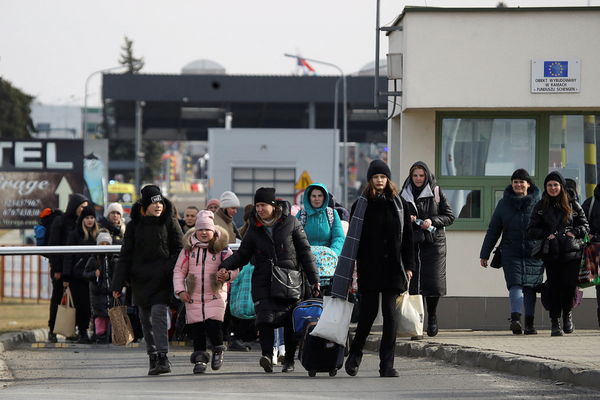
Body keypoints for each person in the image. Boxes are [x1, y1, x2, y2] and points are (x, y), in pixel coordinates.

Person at [218, 187, 320, 373]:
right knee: (264, 319)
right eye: (257, 205)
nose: (259, 209)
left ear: (273, 205)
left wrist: (315, 279)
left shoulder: (291, 222)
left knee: (289, 321)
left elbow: (305, 252)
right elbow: (242, 254)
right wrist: (225, 266)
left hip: (289, 280)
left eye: (263, 205)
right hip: (263, 280)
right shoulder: (254, 227)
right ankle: (266, 355)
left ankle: (289, 359)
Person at [345, 160, 415, 378]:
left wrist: (409, 266)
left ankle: (387, 365)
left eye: (383, 177)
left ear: (388, 179)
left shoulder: (399, 204)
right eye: (376, 177)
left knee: (390, 317)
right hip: (369, 268)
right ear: (370, 180)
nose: (380, 181)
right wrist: (352, 270)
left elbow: (408, 239)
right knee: (367, 315)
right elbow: (353, 239)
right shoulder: (361, 204)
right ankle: (355, 355)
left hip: (394, 268)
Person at [111, 185, 184, 375]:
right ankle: (152, 356)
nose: (158, 206)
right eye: (154, 203)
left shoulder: (170, 222)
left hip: (162, 279)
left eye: (160, 202)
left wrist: (167, 268)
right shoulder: (134, 225)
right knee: (145, 319)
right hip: (140, 280)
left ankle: (163, 356)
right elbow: (125, 254)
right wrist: (117, 284)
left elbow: (179, 250)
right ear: (145, 205)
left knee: (159, 315)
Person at [480, 169, 543, 334]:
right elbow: (494, 230)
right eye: (515, 181)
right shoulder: (504, 204)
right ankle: (516, 319)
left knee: (530, 287)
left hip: (534, 252)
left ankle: (529, 324)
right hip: (511, 251)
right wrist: (484, 254)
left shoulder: (540, 202)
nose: (518, 184)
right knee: (515, 284)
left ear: (528, 184)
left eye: (522, 181)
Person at [173, 210, 236, 374]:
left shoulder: (222, 249)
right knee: (197, 330)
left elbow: (234, 267)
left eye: (207, 229)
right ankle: (200, 358)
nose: (203, 232)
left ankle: (217, 349)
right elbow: (179, 271)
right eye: (200, 229)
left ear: (213, 230)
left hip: (215, 294)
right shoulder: (188, 250)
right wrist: (180, 290)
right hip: (193, 296)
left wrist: (227, 275)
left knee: (214, 326)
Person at [527, 171, 589, 336]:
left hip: (572, 253)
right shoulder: (540, 206)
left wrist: (574, 232)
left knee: (569, 287)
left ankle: (567, 315)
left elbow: (585, 226)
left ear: (561, 186)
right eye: (549, 185)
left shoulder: (573, 204)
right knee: (554, 288)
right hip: (551, 253)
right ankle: (555, 322)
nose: (553, 188)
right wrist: (546, 234)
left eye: (555, 185)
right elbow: (531, 230)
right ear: (546, 188)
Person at [400, 161, 454, 338]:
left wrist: (432, 221)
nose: (418, 179)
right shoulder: (404, 193)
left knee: (433, 284)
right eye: (415, 175)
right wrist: (408, 219)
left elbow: (449, 216)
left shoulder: (435, 191)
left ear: (426, 176)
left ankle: (432, 316)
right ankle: (416, 323)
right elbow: (397, 215)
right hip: (412, 243)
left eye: (421, 175)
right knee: (414, 284)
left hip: (434, 244)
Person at [47, 193, 89, 343]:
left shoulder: (83, 222)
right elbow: (54, 246)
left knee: (79, 301)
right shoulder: (61, 221)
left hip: (76, 270)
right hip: (60, 269)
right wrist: (57, 269)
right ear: (74, 206)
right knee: (58, 299)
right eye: (82, 207)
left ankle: (75, 331)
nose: (84, 210)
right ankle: (52, 330)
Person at [63, 204, 99, 344]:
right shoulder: (75, 234)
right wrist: (66, 276)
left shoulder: (99, 234)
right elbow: (68, 256)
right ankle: (82, 332)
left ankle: (97, 332)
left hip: (94, 276)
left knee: (94, 307)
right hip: (78, 277)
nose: (90, 220)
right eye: (87, 217)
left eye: (92, 217)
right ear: (82, 219)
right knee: (82, 306)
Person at [83, 229, 116, 344]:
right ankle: (100, 335)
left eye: (107, 244)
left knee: (112, 313)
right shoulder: (93, 259)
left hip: (111, 292)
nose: (105, 246)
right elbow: (85, 273)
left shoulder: (113, 259)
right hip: (97, 293)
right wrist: (94, 274)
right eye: (102, 244)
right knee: (100, 315)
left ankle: (111, 335)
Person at [297, 183, 345, 256]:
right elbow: (293, 236)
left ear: (325, 197)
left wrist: (333, 253)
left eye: (320, 196)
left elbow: (339, 237)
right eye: (313, 196)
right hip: (306, 259)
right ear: (308, 198)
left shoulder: (332, 214)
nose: (317, 199)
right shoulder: (301, 215)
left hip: (328, 260)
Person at [580, 182, 600, 327]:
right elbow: (581, 224)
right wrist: (590, 235)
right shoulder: (591, 202)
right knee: (599, 285)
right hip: (595, 250)